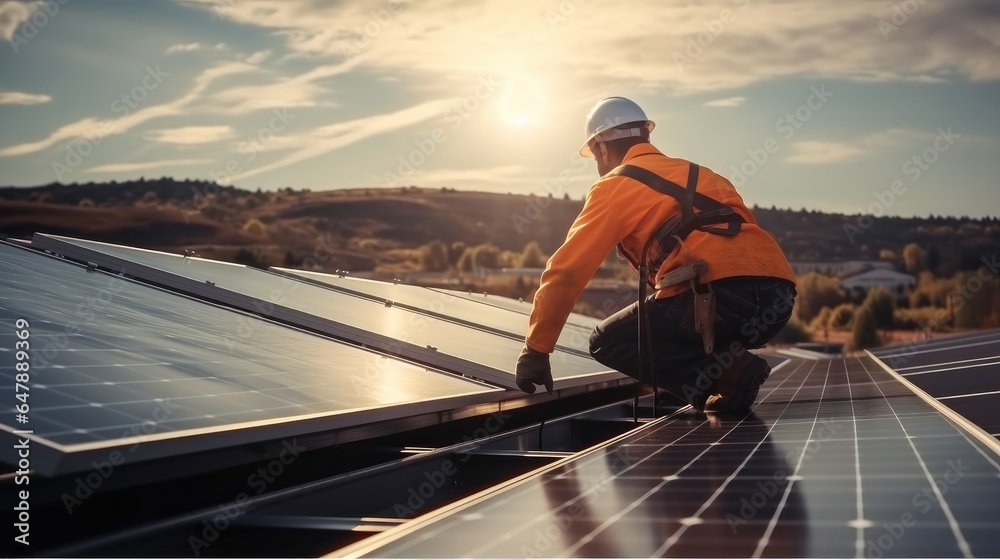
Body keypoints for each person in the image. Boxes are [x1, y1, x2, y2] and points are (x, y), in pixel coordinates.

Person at [514, 96, 797, 412]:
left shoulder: (614, 185)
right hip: (778, 298)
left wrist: (536, 349)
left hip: (721, 299)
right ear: (645, 135)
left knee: (609, 340)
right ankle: (729, 381)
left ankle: (734, 374)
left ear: (600, 149)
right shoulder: (706, 174)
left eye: (595, 157)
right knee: (674, 322)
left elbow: (567, 271)